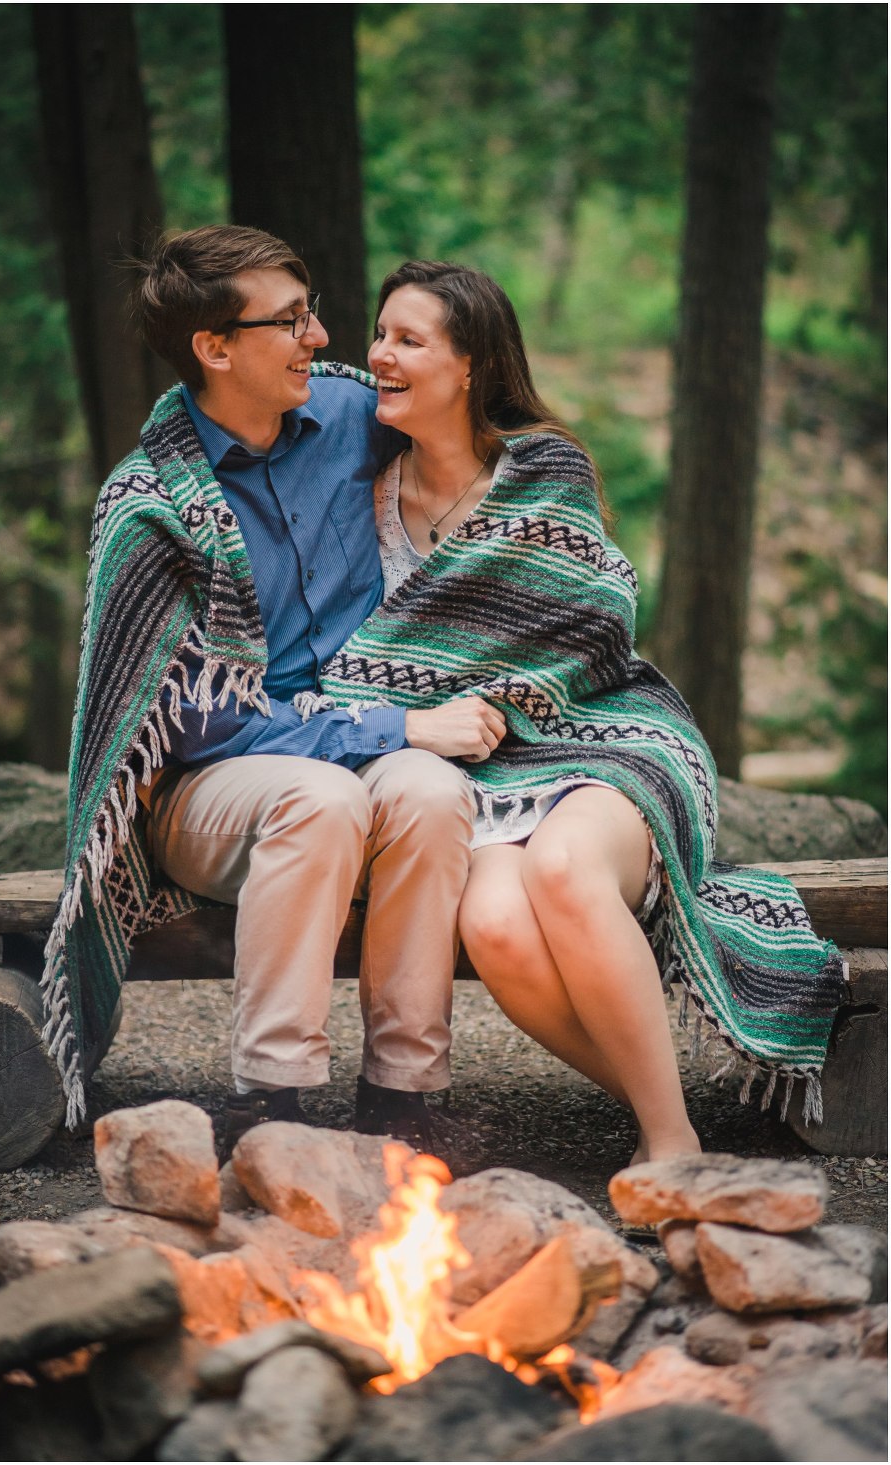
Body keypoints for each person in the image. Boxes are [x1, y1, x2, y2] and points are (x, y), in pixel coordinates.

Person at [313, 259, 848, 1168]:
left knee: (562, 870)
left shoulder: (542, 469)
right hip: (474, 770)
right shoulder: (362, 498)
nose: (380, 357)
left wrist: (491, 695)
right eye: (380, 334)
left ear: (471, 364)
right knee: (493, 925)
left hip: (607, 735)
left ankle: (670, 1140)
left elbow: (592, 623)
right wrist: (426, 713)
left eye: (409, 340)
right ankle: (675, 1107)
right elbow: (366, 660)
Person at [41, 228, 507, 1152]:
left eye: (313, 310)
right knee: (322, 793)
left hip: (366, 747)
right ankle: (273, 1097)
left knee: (430, 787)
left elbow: (472, 437)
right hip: (214, 788)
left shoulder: (350, 418)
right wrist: (397, 721)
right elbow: (199, 723)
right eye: (290, 321)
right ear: (215, 348)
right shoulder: (150, 503)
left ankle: (403, 1095)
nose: (322, 338)